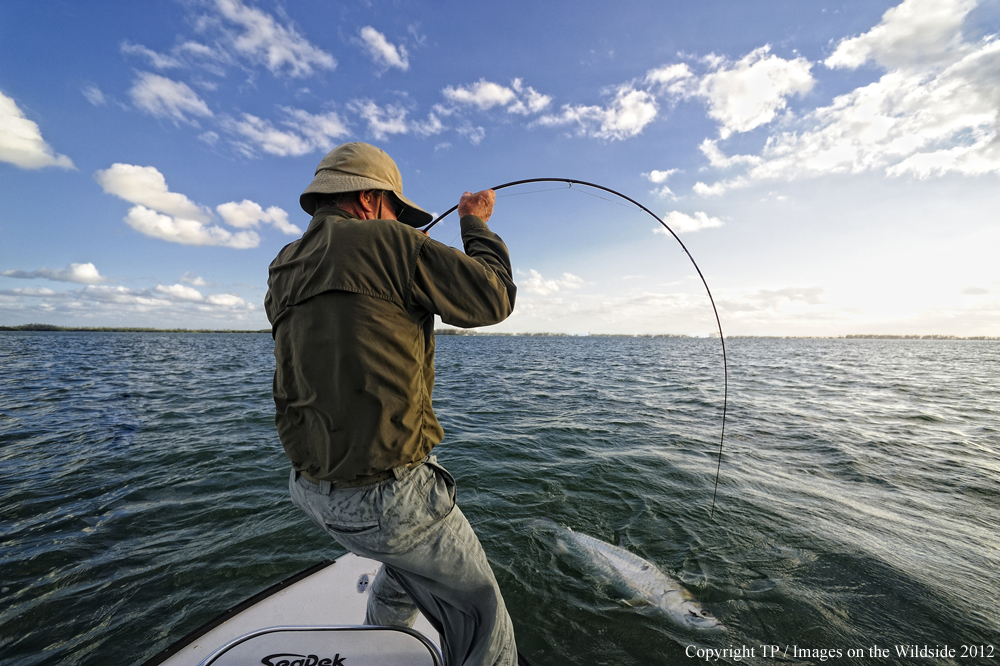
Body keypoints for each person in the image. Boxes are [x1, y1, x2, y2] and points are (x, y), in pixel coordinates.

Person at [264, 142, 518, 666]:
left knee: (404, 565)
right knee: (483, 612)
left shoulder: (282, 267)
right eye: (394, 210)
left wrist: (401, 253)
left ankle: (377, 647)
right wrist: (475, 225)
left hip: (311, 489)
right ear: (367, 199)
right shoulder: (394, 245)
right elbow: (493, 297)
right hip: (384, 498)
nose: (399, 221)